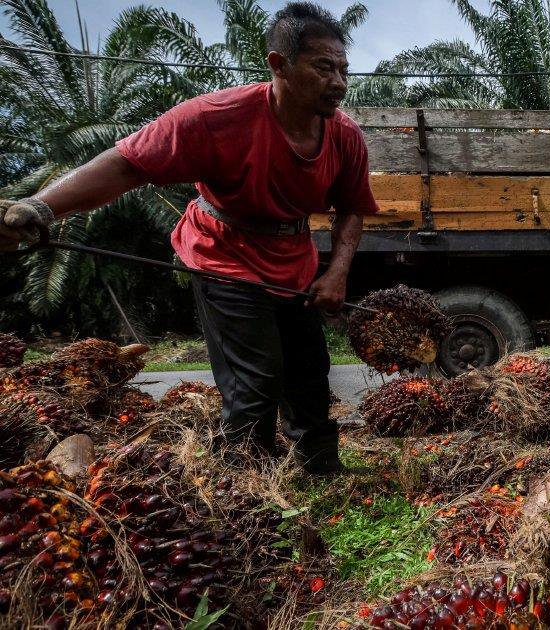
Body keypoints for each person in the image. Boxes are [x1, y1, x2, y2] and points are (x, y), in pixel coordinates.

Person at [0, 2, 379, 473]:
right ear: (278, 65)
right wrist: (41, 206)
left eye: (344, 69)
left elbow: (353, 209)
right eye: (324, 67)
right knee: (255, 379)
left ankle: (321, 470)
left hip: (292, 260)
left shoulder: (344, 136)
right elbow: (126, 164)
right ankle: (245, 486)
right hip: (223, 255)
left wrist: (336, 273)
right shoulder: (215, 117)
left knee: (308, 371)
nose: (339, 82)